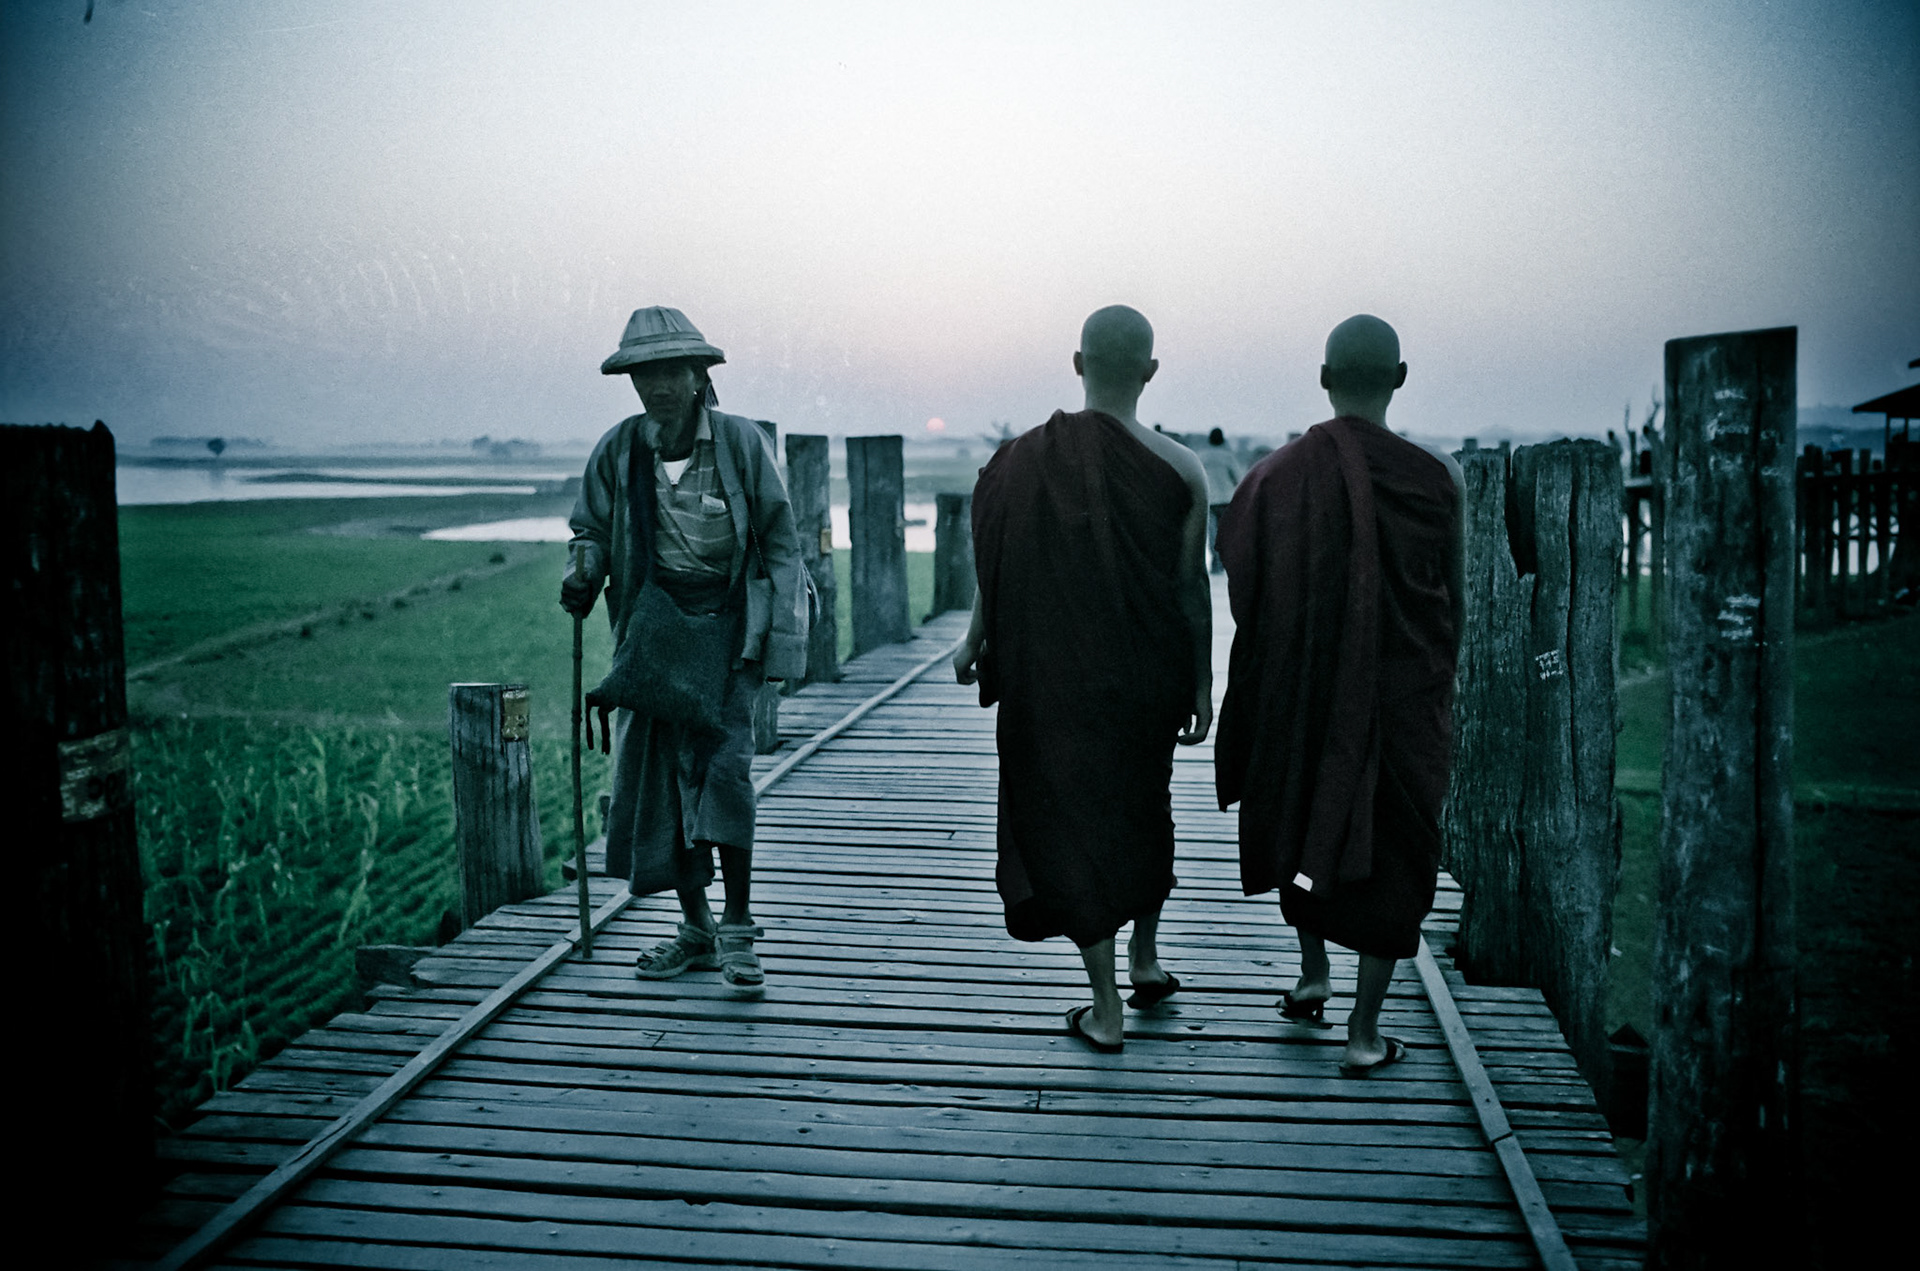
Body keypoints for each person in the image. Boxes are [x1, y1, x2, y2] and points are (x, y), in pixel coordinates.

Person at [955, 304, 1214, 1053]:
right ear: (1151, 371)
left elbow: (997, 561)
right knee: (1143, 807)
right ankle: (1147, 956)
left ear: (1077, 364)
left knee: (1072, 823)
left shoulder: (1020, 459)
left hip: (1054, 681)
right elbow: (1190, 590)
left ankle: (1106, 1005)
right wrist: (1201, 684)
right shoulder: (1179, 466)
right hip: (1145, 680)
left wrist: (976, 638)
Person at [1213, 314, 1464, 1074]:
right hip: (1401, 695)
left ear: (1324, 381)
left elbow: (1247, 599)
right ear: (1402, 376)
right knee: (1396, 846)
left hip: (1304, 694)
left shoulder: (1271, 477)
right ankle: (1362, 1028)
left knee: (1301, 817)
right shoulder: (1437, 476)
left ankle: (1311, 966)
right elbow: (1450, 596)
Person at [561, 306, 809, 991]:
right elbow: (589, 528)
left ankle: (738, 929)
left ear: (700, 374)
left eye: (672, 369)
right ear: (633, 380)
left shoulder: (738, 443)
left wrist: (782, 648)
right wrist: (583, 568)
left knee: (725, 772)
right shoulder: (619, 450)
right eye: (646, 372)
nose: (660, 384)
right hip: (654, 634)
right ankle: (696, 927)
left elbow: (782, 542)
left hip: (730, 632)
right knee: (662, 783)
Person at [1199, 427, 1244, 573]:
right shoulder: (1228, 457)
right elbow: (1238, 478)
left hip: (1209, 500)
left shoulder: (1202, 457)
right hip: (1226, 500)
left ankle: (1215, 563)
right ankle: (1225, 562)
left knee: (1212, 534)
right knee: (1226, 533)